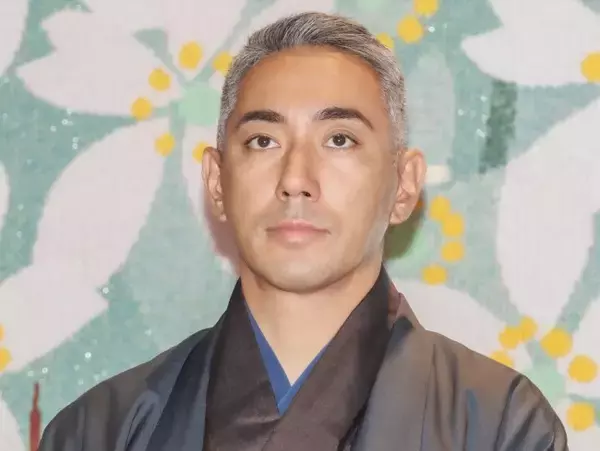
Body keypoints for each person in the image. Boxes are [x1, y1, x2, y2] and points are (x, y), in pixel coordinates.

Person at [39, 12, 568, 451]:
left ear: (404, 185)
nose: (296, 179)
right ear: (217, 181)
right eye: (263, 141)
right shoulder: (100, 432)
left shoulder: (498, 425)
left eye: (339, 140)